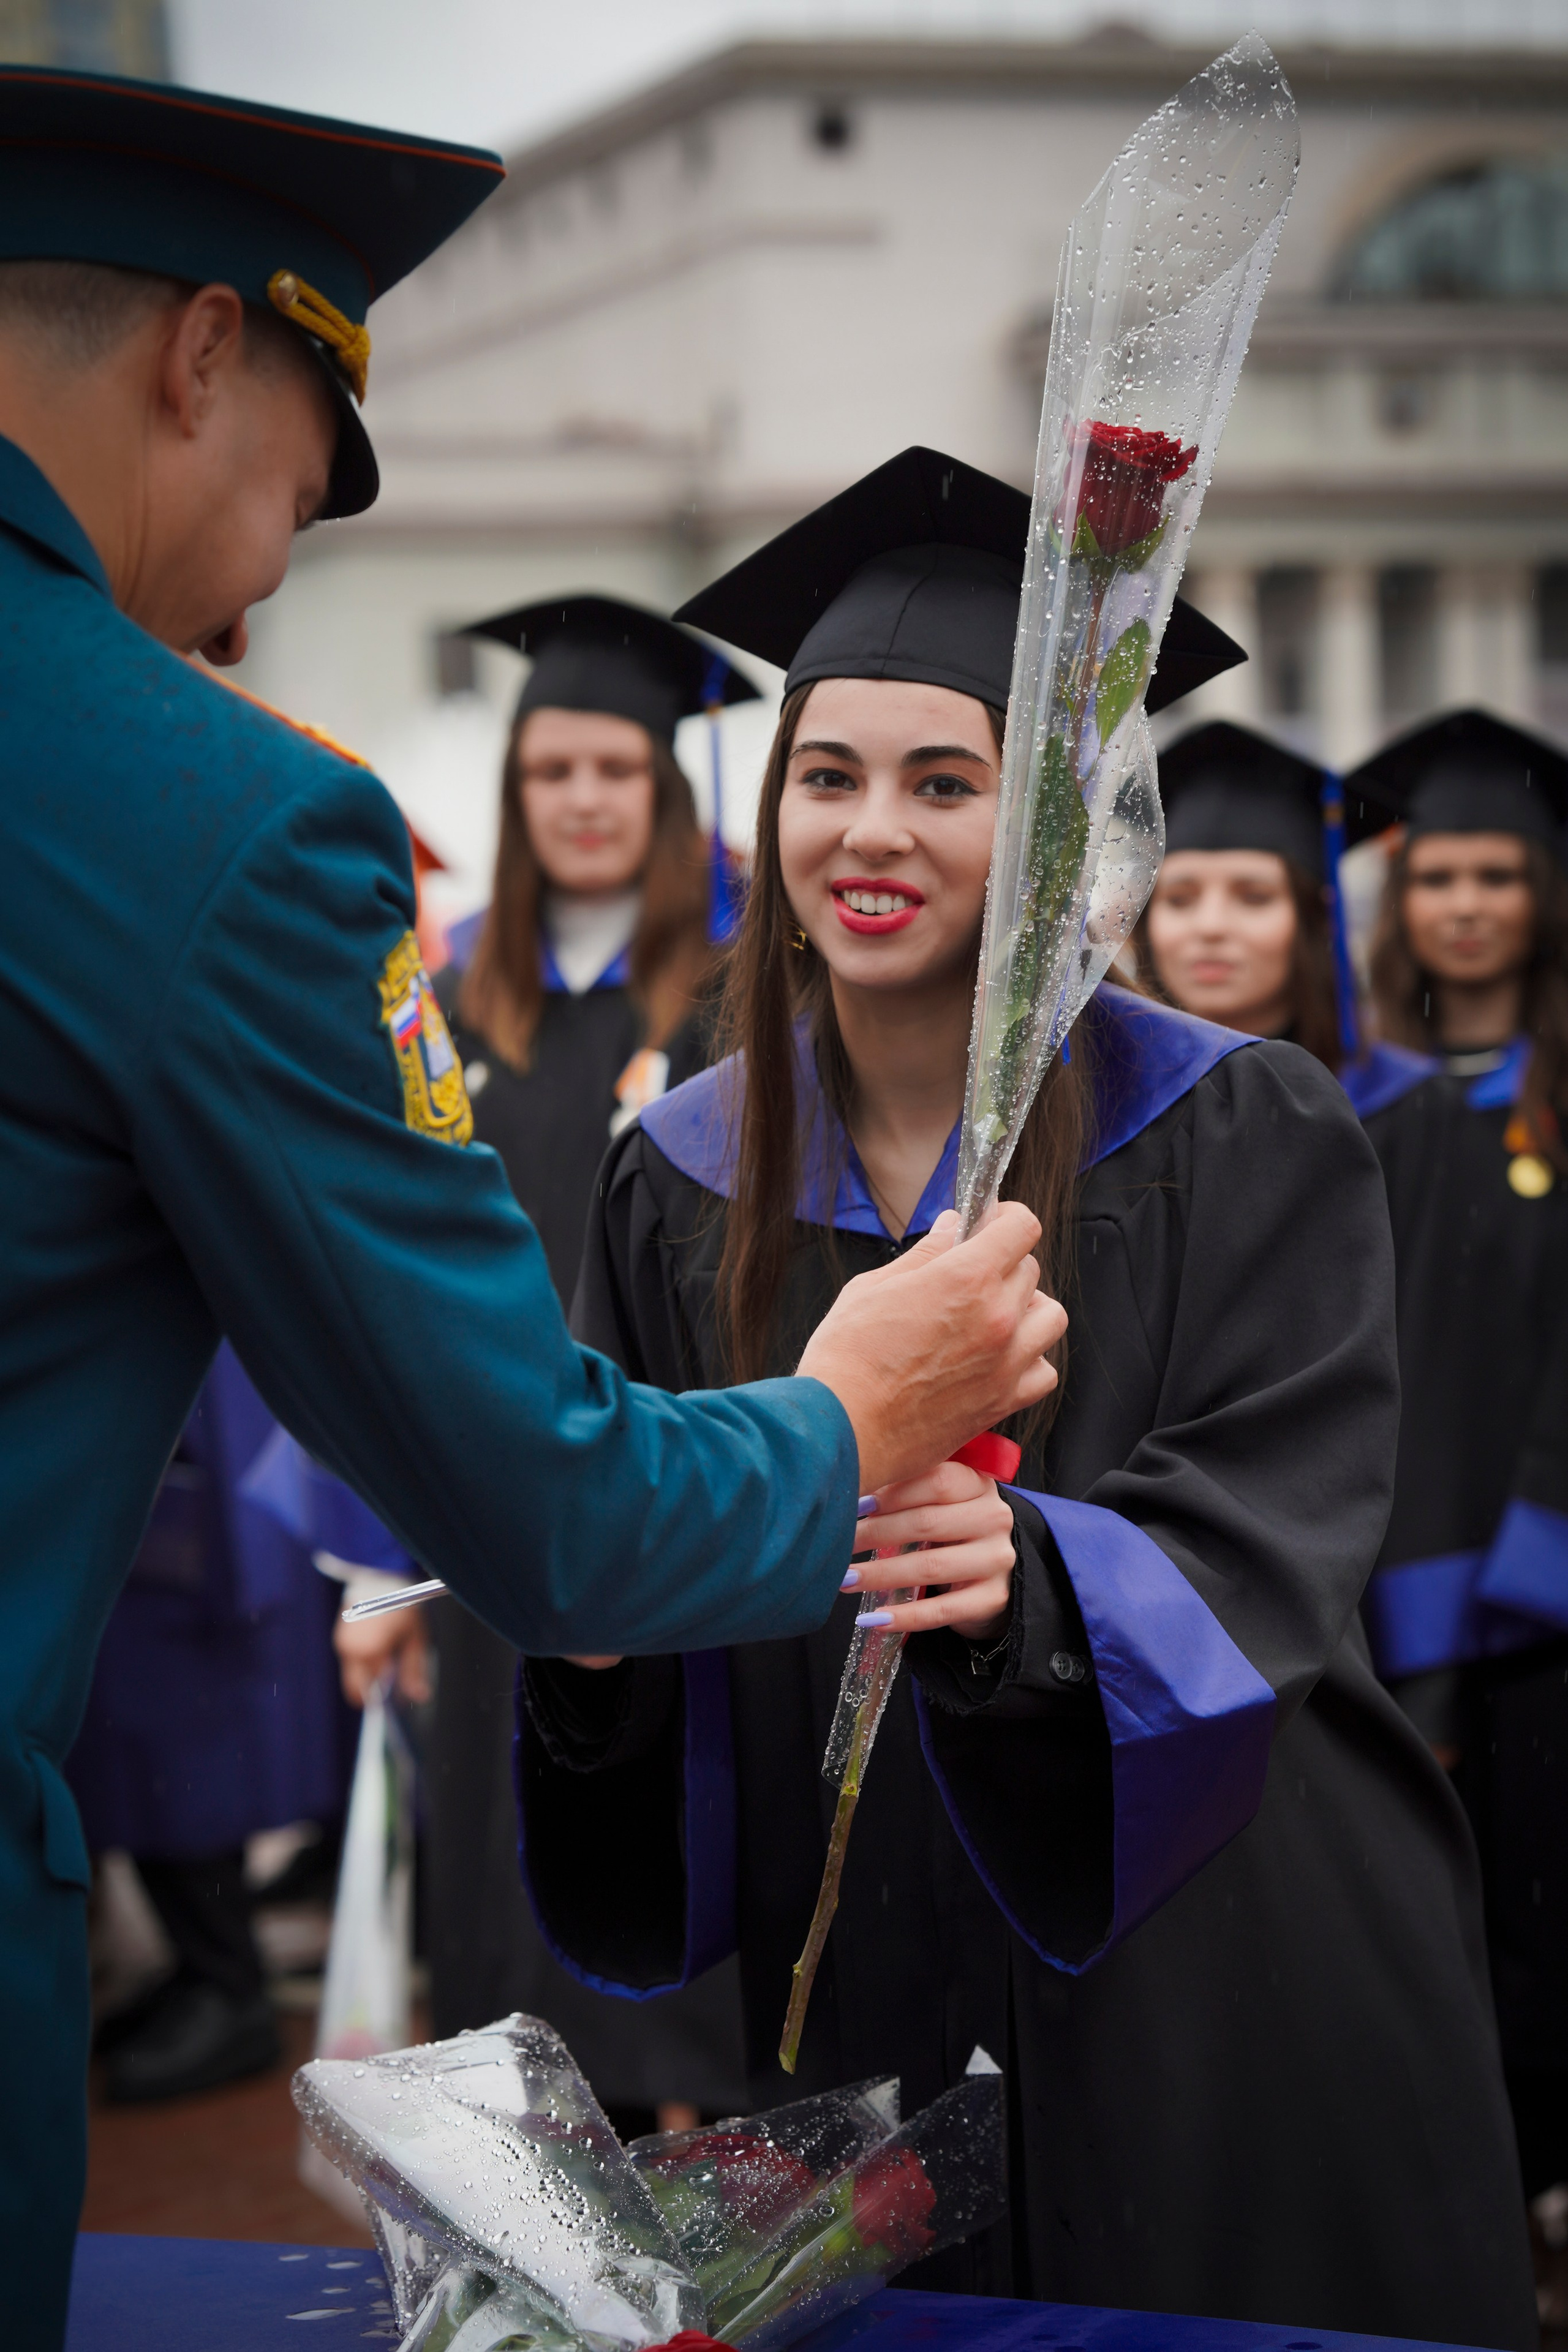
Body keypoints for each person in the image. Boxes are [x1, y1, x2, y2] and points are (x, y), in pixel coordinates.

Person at [0, 82, 1053, 2348]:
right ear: (204, 353)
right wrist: (849, 1409)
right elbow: (546, 1502)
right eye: (305, 460)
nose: (282, 553)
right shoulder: (209, 815)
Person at [514, 449, 1537, 2348]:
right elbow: (641, 1542)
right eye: (826, 774)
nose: (866, 831)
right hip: (869, 1967)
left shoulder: (1238, 1124)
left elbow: (1283, 1524)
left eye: (943, 780)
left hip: (1226, 1950)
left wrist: (1037, 1570)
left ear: (1059, 822)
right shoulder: (675, 1175)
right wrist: (585, 1648)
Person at [352, 594, 755, 2119]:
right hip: (492, 1515)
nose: (583, 800)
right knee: (512, 1900)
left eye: (615, 771)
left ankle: (709, 2203)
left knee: (686, 1864)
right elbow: (379, 1290)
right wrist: (373, 1563)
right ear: (515, 798)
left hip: (687, 1503)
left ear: (663, 794)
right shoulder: (447, 1018)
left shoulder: (736, 1008)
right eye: (551, 773)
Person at [1344, 709, 1568, 2202]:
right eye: (1438, 876)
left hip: (1548, 1570)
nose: (1468, 904)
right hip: (1416, 1572)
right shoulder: (1368, 1103)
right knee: (1439, 1895)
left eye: (1499, 874)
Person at [1137, 718, 1434, 1115]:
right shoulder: (1111, 1105)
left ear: (1317, 919)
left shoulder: (1408, 1107)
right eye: (1179, 899)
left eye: (1254, 898)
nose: (1210, 926)